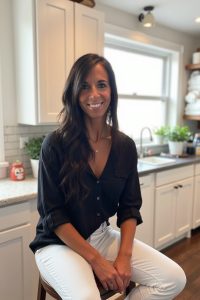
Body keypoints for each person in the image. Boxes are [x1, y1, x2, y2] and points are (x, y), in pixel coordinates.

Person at [30, 53, 186, 299]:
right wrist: (97, 261)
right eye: (84, 86)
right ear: (73, 93)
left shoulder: (124, 146)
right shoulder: (55, 144)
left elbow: (129, 207)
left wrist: (124, 256)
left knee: (173, 279)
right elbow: (53, 215)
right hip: (57, 244)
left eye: (101, 85)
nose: (94, 94)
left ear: (111, 91)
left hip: (100, 235)